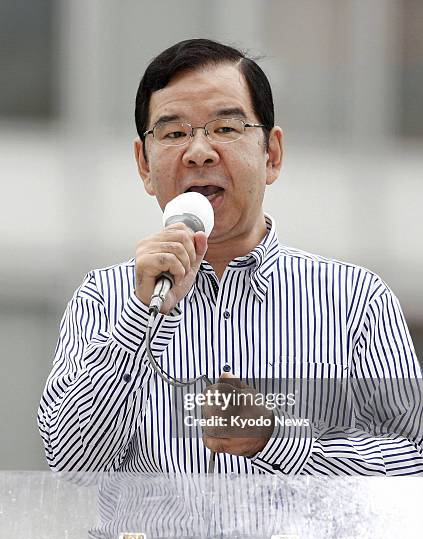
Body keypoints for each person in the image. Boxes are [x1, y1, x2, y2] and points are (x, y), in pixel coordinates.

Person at [38, 39, 422, 474]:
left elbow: (411, 463)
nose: (199, 152)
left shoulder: (355, 300)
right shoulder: (104, 298)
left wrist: (275, 440)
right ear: (144, 165)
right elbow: (71, 465)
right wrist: (140, 319)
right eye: (174, 133)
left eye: (225, 129)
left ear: (271, 155)